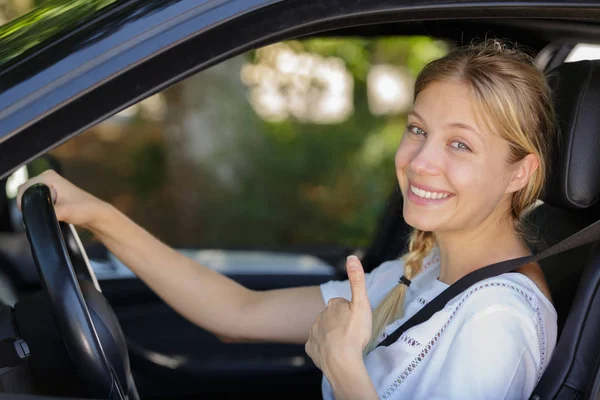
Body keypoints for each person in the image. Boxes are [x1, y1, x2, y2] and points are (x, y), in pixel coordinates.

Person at [16, 39, 558, 400]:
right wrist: (100, 216)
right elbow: (239, 311)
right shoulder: (422, 270)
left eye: (459, 144)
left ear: (520, 173)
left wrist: (344, 368)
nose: (421, 161)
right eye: (418, 129)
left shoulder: (494, 320)